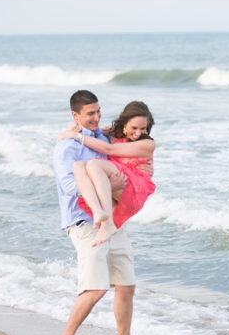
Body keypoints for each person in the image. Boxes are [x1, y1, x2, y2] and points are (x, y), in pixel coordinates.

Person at [53, 89, 152, 335]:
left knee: (126, 284)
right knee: (96, 288)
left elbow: (120, 144)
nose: (96, 117)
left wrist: (141, 169)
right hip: (84, 221)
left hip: (114, 218)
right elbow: (70, 186)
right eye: (90, 114)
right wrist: (109, 184)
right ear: (76, 116)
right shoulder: (67, 147)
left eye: (98, 111)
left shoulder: (99, 136)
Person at [57, 100, 156, 247]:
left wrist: (74, 136)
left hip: (135, 188)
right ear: (124, 124)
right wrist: (72, 126)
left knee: (93, 164)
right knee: (78, 166)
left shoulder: (148, 143)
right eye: (134, 128)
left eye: (143, 129)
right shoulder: (114, 132)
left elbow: (109, 150)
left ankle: (107, 223)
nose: (138, 133)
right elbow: (90, 130)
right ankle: (98, 211)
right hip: (120, 184)